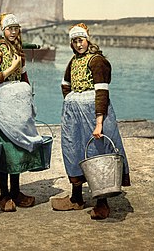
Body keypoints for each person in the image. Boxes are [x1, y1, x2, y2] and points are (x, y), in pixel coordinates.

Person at [51, 23, 131, 220]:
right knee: (73, 151)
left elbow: (102, 93)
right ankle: (76, 198)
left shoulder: (97, 61)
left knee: (99, 153)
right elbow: (65, 84)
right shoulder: (73, 61)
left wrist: (99, 123)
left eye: (81, 40)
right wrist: (72, 102)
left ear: (88, 39)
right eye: (75, 41)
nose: (79, 45)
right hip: (74, 116)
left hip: (94, 113)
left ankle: (102, 202)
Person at [0, 13, 43, 212]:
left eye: (16, 28)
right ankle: (4, 194)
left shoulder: (19, 52)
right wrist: (11, 69)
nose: (13, 32)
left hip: (15, 108)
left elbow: (23, 76)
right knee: (3, 150)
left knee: (16, 148)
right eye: (10, 29)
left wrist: (29, 103)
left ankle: (16, 191)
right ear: (3, 31)